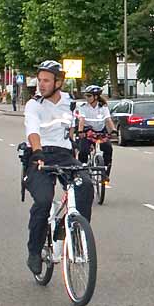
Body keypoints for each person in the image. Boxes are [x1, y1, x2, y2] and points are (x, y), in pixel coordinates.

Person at [23, 60, 94, 276]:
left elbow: (72, 128)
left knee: (86, 185)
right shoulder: (33, 104)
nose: (41, 84)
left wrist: (80, 142)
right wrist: (37, 153)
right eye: (39, 80)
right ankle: (34, 251)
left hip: (63, 155)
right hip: (39, 154)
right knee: (44, 200)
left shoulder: (69, 103)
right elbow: (33, 130)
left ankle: (77, 234)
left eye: (46, 80)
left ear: (58, 82)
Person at [76, 85, 117, 181]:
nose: (87, 98)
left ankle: (105, 173)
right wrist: (80, 131)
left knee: (108, 148)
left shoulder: (103, 107)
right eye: (86, 95)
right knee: (83, 150)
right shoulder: (83, 107)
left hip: (100, 131)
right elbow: (82, 120)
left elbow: (108, 120)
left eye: (89, 96)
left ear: (96, 97)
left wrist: (113, 130)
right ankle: (82, 172)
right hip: (88, 131)